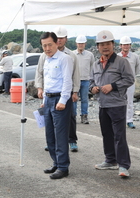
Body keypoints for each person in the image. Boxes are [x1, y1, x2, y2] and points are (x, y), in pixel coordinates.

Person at [90, 30, 134, 177]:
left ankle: (123, 165)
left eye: (108, 43)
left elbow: (129, 79)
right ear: (97, 47)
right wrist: (93, 88)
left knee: (119, 135)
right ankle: (110, 160)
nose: (105, 47)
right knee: (107, 134)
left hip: (117, 104)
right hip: (103, 104)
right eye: (102, 44)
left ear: (113, 45)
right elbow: (91, 82)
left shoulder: (122, 62)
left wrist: (113, 86)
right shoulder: (96, 64)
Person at [38, 32, 73, 179]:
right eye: (44, 45)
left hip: (60, 100)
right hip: (49, 99)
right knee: (50, 134)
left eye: (49, 45)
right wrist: (45, 100)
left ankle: (63, 167)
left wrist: (63, 101)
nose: (47, 48)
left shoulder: (65, 59)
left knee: (60, 135)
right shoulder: (47, 60)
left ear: (56, 43)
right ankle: (56, 162)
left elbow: (67, 81)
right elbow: (48, 81)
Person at [53, 26, 80, 152]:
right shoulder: (47, 54)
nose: (59, 40)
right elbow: (41, 72)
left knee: (71, 116)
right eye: (57, 38)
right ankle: (53, 141)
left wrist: (75, 91)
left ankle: (72, 140)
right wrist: (40, 88)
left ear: (66, 39)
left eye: (61, 38)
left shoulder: (72, 55)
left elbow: (75, 74)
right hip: (52, 91)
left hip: (67, 91)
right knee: (52, 118)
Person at [117, 36, 140, 129]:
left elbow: (137, 69)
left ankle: (129, 120)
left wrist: (131, 77)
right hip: (119, 83)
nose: (126, 46)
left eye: (127, 44)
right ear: (121, 46)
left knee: (129, 102)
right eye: (124, 45)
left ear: (130, 45)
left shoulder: (135, 57)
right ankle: (120, 120)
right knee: (119, 101)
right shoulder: (117, 57)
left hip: (130, 83)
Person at [73, 35, 95, 124]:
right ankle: (73, 116)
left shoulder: (90, 55)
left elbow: (92, 67)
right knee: (74, 99)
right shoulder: (72, 54)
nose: (80, 45)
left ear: (85, 44)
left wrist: (91, 79)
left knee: (85, 99)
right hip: (75, 80)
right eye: (79, 43)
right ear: (76, 44)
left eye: (82, 43)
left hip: (86, 80)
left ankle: (84, 116)